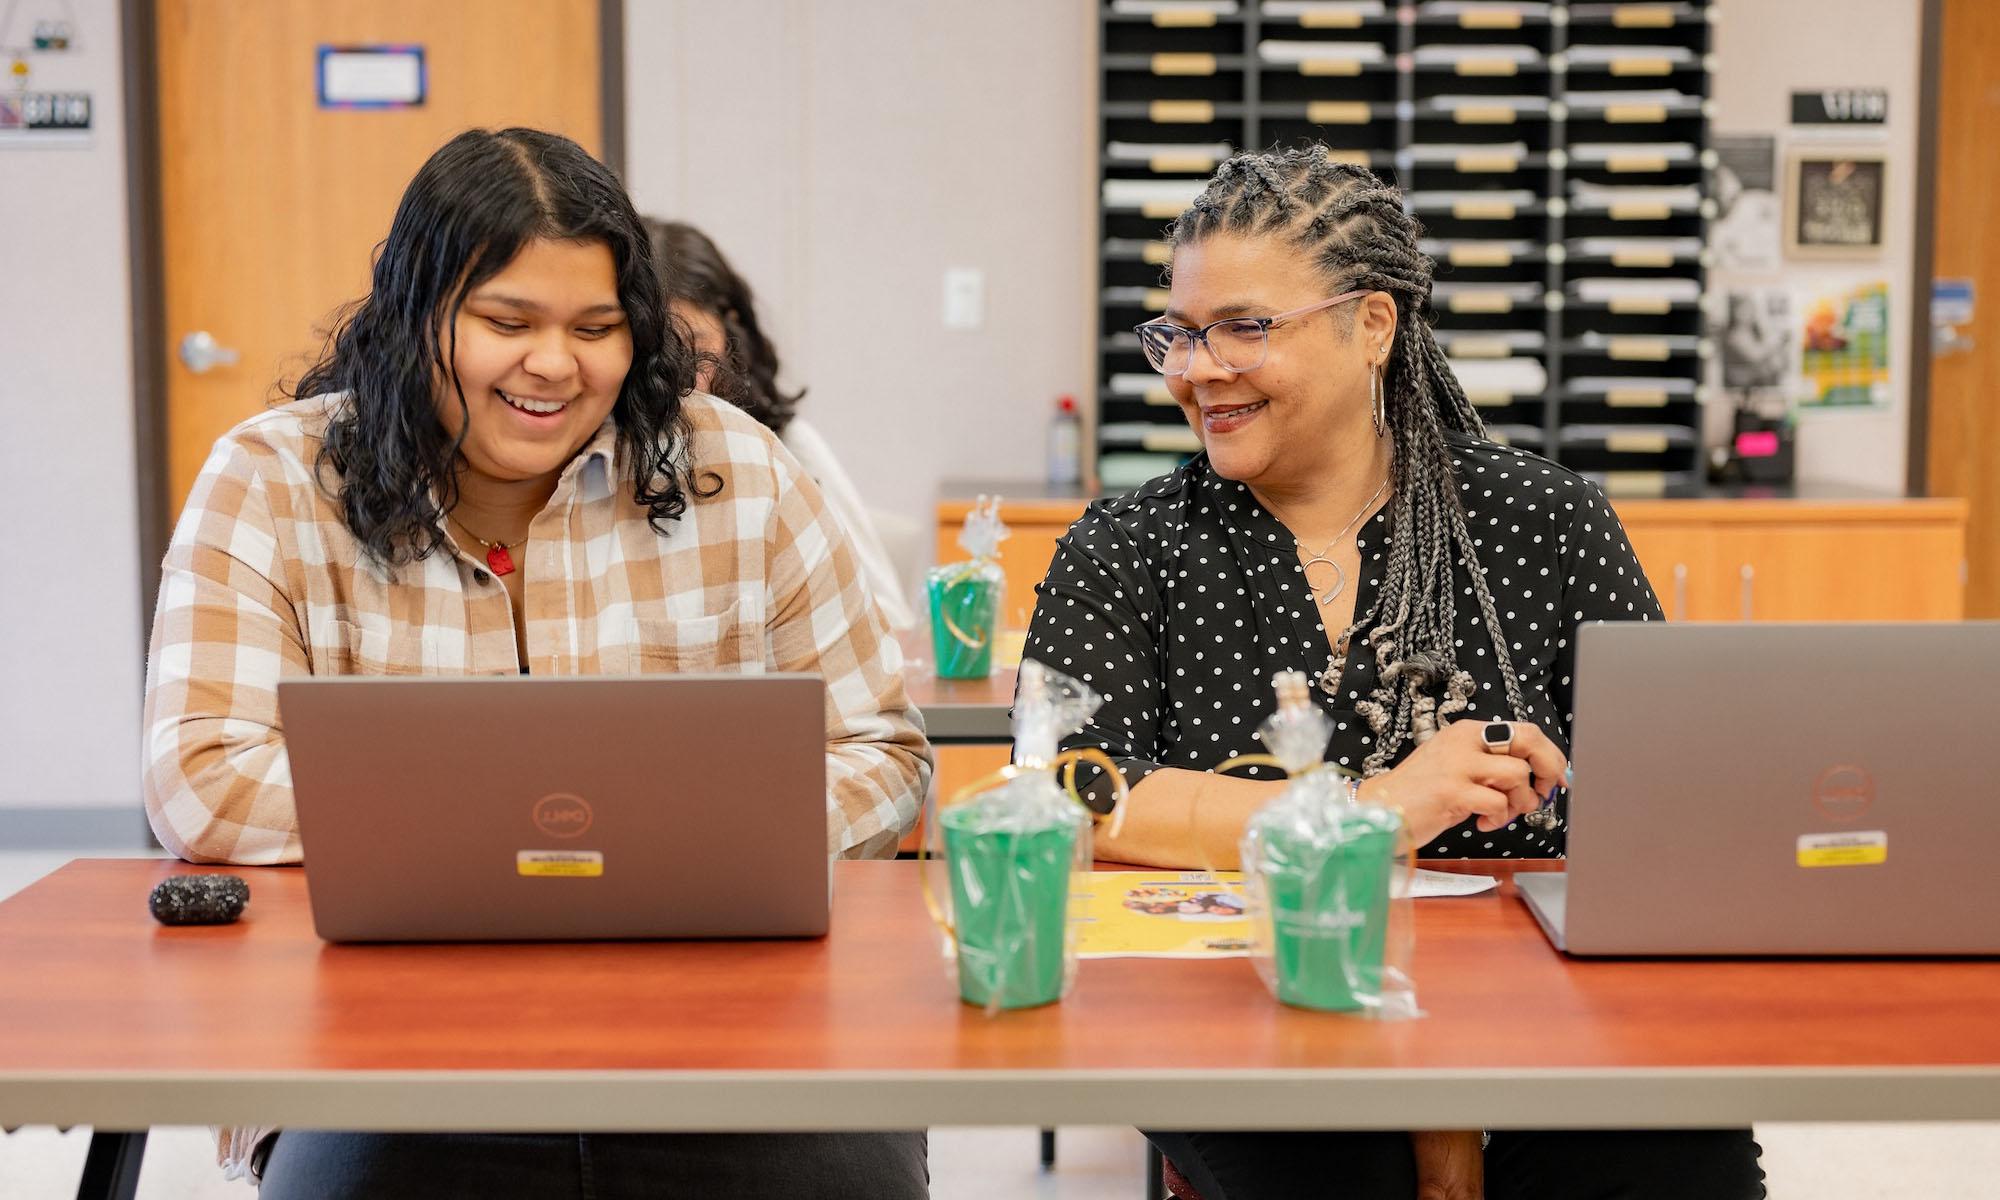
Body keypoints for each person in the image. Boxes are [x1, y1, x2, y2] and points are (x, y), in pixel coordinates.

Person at [141, 127, 931, 1198]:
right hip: (378, 1051)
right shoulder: (272, 481)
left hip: (734, 1036)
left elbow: (879, 753)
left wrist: (680, 845)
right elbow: (200, 773)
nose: (554, 364)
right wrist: (538, 837)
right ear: (414, 315)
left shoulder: (734, 469)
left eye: (596, 327)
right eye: (507, 321)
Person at [1021, 146, 1764, 1199]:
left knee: (1670, 1173)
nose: (1196, 368)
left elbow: (1672, 796)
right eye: (1179, 333)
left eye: (1242, 327)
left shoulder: (1542, 521)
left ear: (1371, 325)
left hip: (1536, 1004)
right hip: (1247, 999)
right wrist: (1368, 812)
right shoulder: (1129, 545)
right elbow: (1073, 788)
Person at [645, 218, 919, 630]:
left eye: (697, 350)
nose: (678, 382)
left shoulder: (786, 445)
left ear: (730, 329)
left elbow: (888, 614)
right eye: (657, 353)